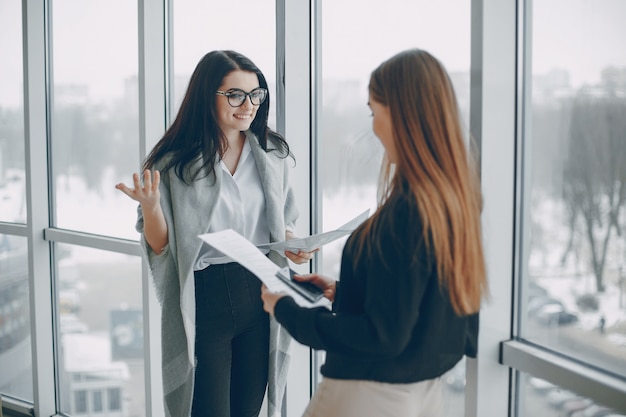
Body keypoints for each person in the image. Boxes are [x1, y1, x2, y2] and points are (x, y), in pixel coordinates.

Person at [261, 48, 489, 417]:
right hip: (422, 395)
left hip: (369, 396)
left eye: (373, 110)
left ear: (400, 113)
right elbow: (417, 301)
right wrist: (348, 295)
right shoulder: (455, 201)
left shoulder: (408, 212)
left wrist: (286, 309)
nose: (373, 126)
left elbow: (382, 337)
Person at [116, 50, 316, 417]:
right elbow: (162, 247)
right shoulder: (175, 162)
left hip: (262, 292)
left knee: (247, 410)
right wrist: (150, 206)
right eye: (236, 95)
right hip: (207, 298)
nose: (249, 105)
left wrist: (291, 244)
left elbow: (279, 221)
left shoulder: (271, 154)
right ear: (207, 96)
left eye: (256, 95)